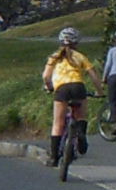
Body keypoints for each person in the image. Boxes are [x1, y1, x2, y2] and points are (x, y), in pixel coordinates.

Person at [41, 29, 96, 167]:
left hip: (62, 89)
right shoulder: (80, 56)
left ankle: (54, 158)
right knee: (81, 116)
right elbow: (93, 75)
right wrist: (100, 91)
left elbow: (46, 76)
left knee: (58, 123)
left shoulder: (54, 57)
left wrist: (49, 86)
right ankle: (81, 135)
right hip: (78, 86)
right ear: (77, 42)